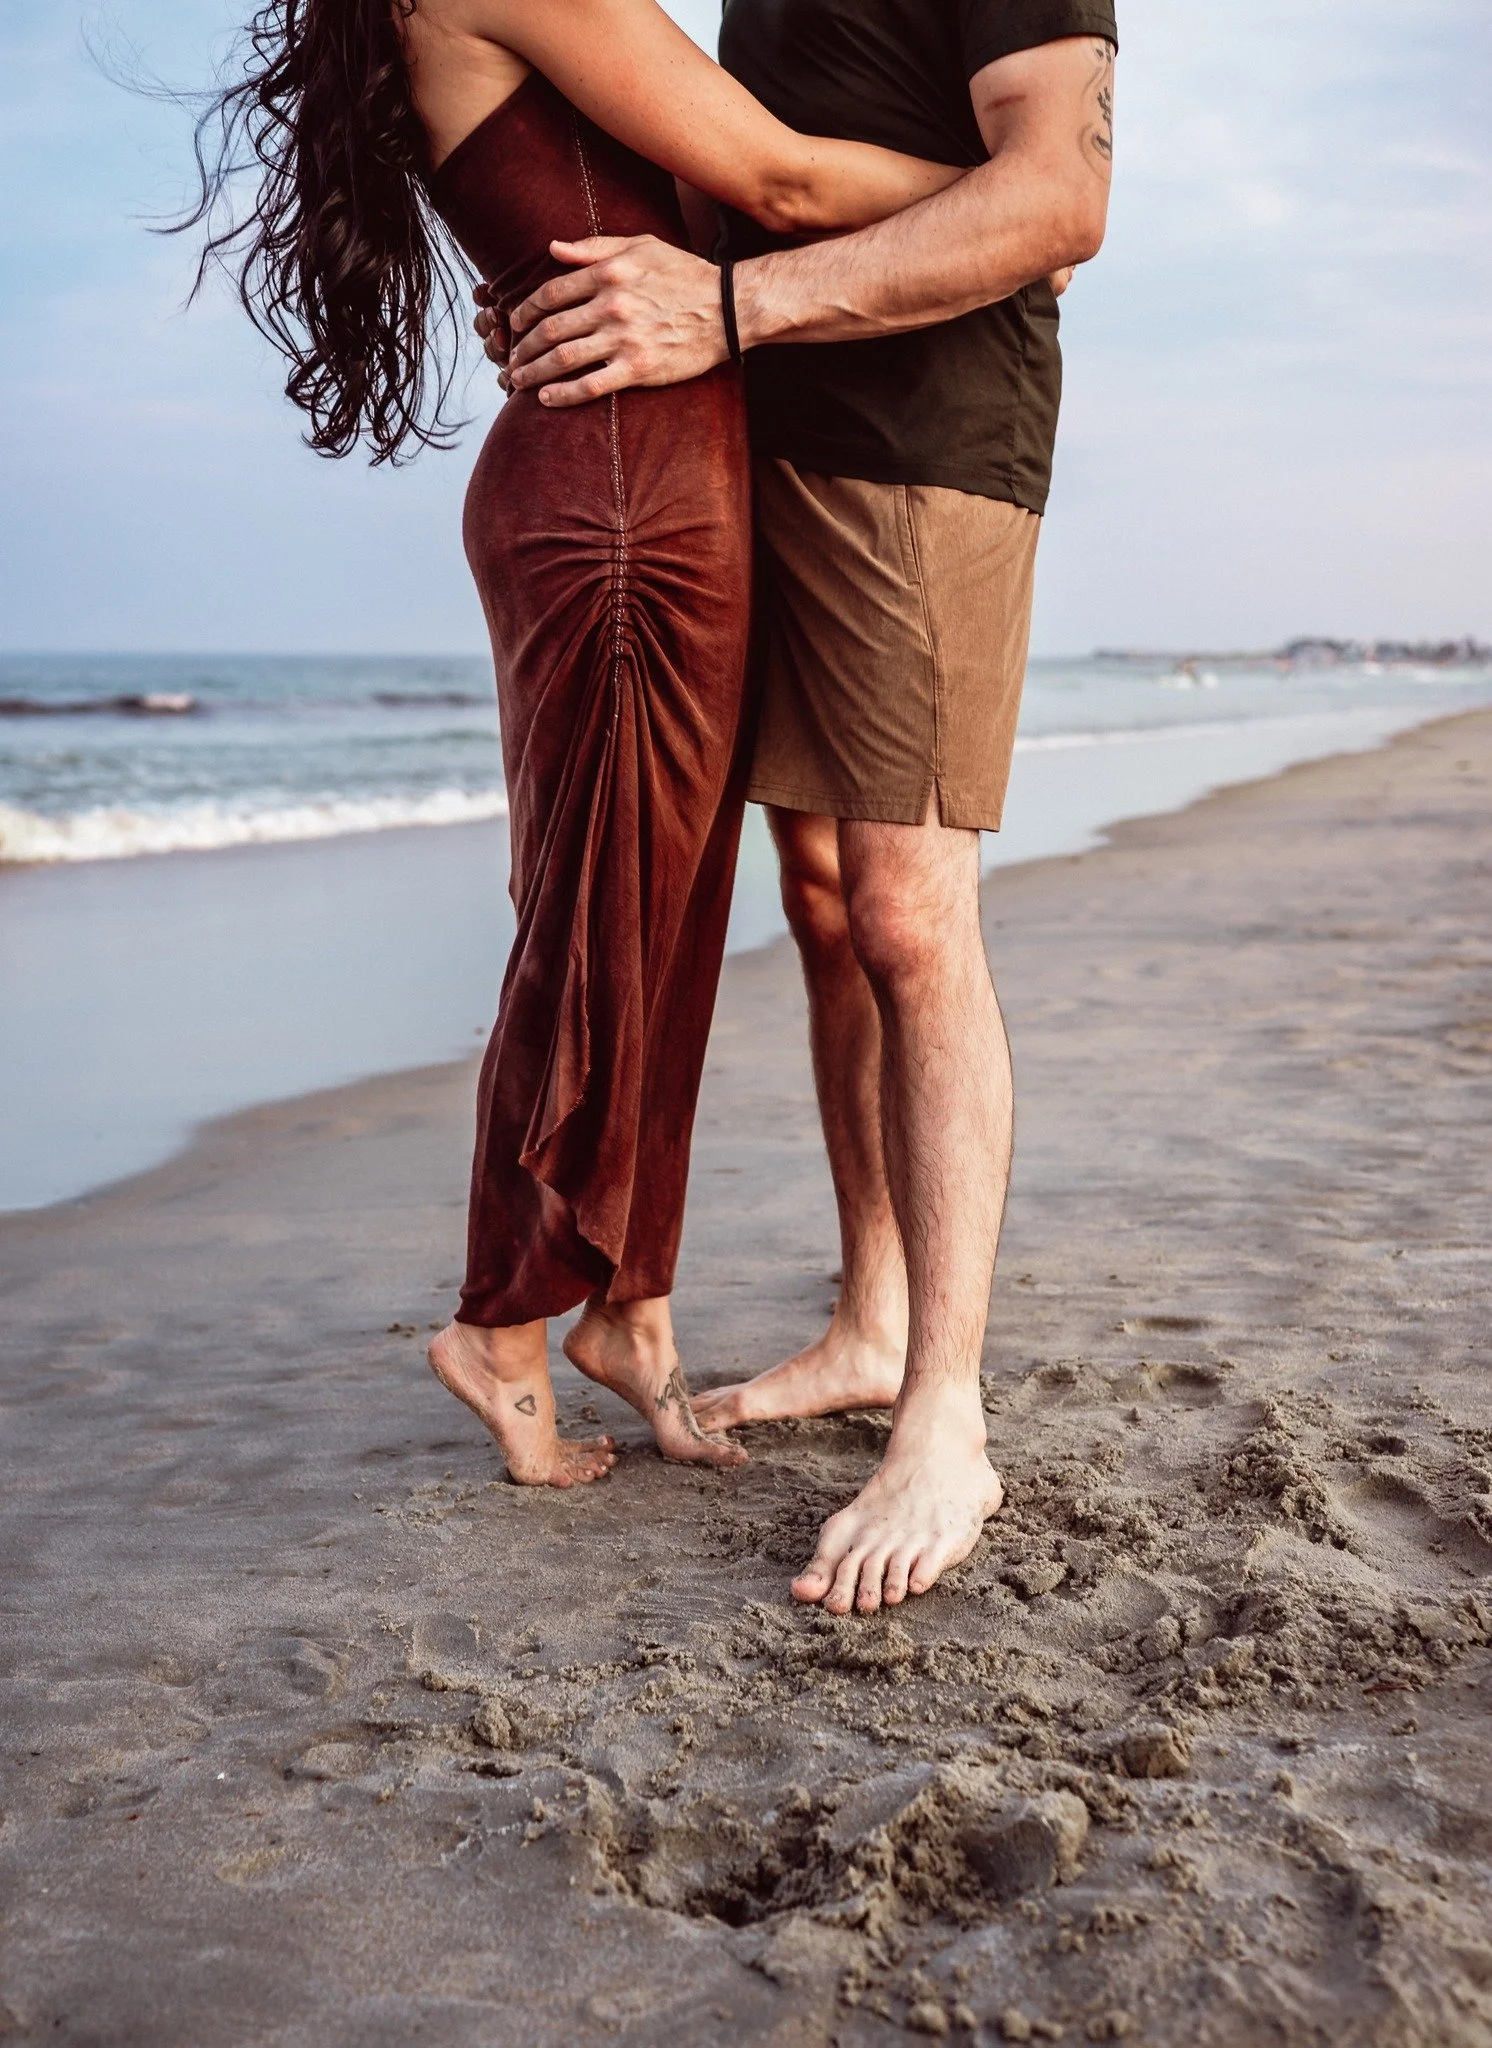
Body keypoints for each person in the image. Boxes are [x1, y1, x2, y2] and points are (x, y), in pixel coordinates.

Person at [181, 0, 968, 1487]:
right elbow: (779, 179)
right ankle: (500, 1328)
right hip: (621, 510)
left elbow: (650, 219)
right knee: (593, 931)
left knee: (654, 931)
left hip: (645, 485)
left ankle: (632, 1313)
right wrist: (994, 204)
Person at [492, 5, 1118, 1594]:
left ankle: (948, 1418)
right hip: (756, 433)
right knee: (826, 906)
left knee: (912, 913)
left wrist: (724, 303)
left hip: (926, 446)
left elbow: (1060, 203)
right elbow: (735, 168)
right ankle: (871, 1318)